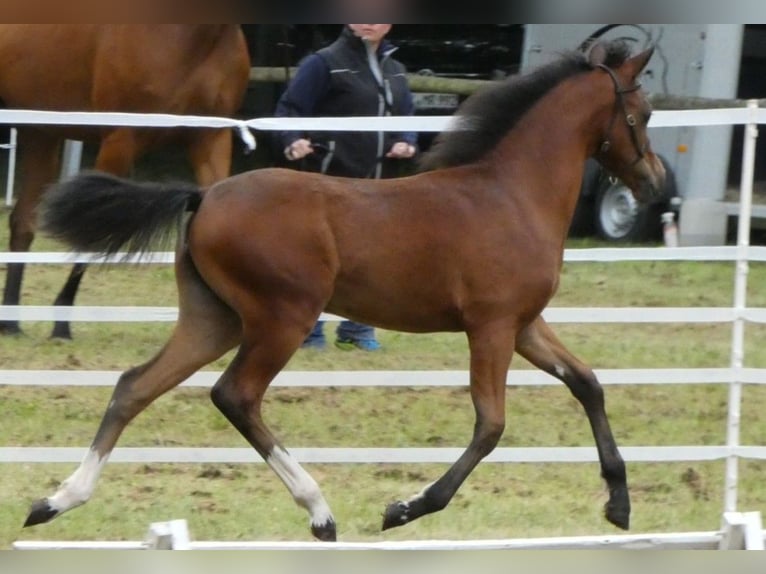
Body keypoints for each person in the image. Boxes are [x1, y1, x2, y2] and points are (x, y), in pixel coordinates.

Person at [274, 24, 418, 351]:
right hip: (332, 183)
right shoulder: (323, 62)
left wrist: (407, 142)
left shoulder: (395, 70)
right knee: (319, 261)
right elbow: (290, 110)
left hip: (381, 186)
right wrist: (292, 139)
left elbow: (407, 116)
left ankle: (358, 330)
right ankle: (310, 330)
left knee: (375, 259)